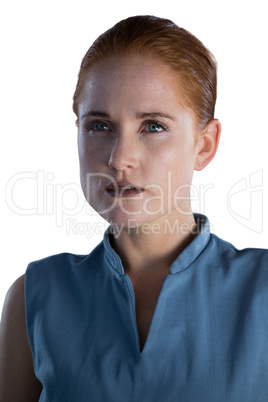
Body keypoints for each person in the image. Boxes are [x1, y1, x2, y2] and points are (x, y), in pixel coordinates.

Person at [0, 15, 267, 402]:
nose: (120, 158)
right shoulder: (34, 298)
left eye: (153, 126)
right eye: (99, 126)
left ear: (204, 145)